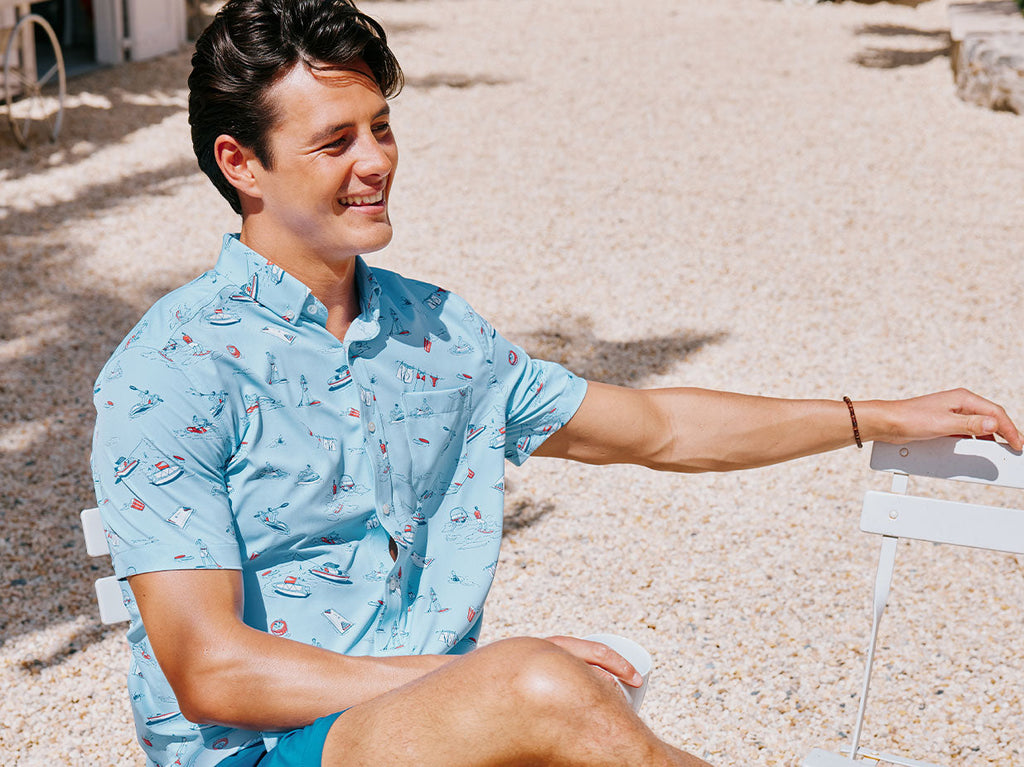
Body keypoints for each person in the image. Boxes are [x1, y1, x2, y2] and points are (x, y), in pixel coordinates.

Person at [89, 1, 1022, 765]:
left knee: (552, 695)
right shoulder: (172, 370)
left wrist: (871, 415)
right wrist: (489, 678)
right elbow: (210, 670)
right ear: (240, 164)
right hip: (260, 751)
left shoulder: (435, 330)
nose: (376, 160)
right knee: (545, 688)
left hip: (435, 726)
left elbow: (657, 428)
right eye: (335, 142)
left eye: (380, 127)